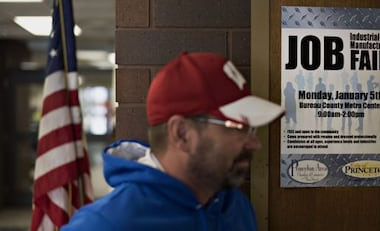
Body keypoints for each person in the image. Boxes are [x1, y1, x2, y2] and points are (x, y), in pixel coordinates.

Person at [61, 52, 284, 231]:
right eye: (238, 128)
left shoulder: (234, 206)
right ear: (181, 134)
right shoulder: (107, 223)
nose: (255, 143)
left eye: (251, 129)